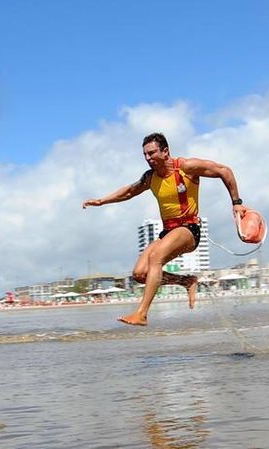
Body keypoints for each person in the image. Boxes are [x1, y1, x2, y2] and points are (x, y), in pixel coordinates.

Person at [83, 132, 247, 326]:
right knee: (139, 273)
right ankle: (186, 281)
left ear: (165, 151)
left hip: (189, 228)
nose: (148, 158)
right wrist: (101, 201)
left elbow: (224, 170)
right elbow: (129, 191)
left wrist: (236, 202)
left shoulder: (186, 167)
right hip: (168, 231)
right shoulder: (150, 177)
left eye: (152, 153)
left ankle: (142, 313)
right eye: (145, 154)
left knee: (156, 257)